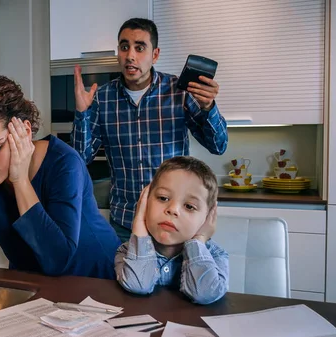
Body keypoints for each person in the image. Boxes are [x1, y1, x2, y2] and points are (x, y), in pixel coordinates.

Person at [0, 73, 121, 279]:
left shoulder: (64, 163)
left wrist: (20, 180)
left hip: (97, 279)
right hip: (35, 283)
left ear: (25, 133)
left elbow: (58, 260)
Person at [71, 18, 228, 242]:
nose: (130, 56)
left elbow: (219, 145)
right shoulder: (102, 98)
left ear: (155, 54)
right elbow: (80, 157)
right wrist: (81, 113)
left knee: (179, 278)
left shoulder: (178, 92)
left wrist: (209, 108)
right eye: (124, 47)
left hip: (174, 220)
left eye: (140, 47)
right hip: (125, 222)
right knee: (125, 278)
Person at [114, 156, 228, 304]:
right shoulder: (127, 252)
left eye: (189, 206)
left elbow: (204, 294)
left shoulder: (216, 256)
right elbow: (138, 285)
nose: (173, 210)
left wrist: (198, 240)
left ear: (207, 217)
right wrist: (139, 225)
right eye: (163, 198)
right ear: (145, 201)